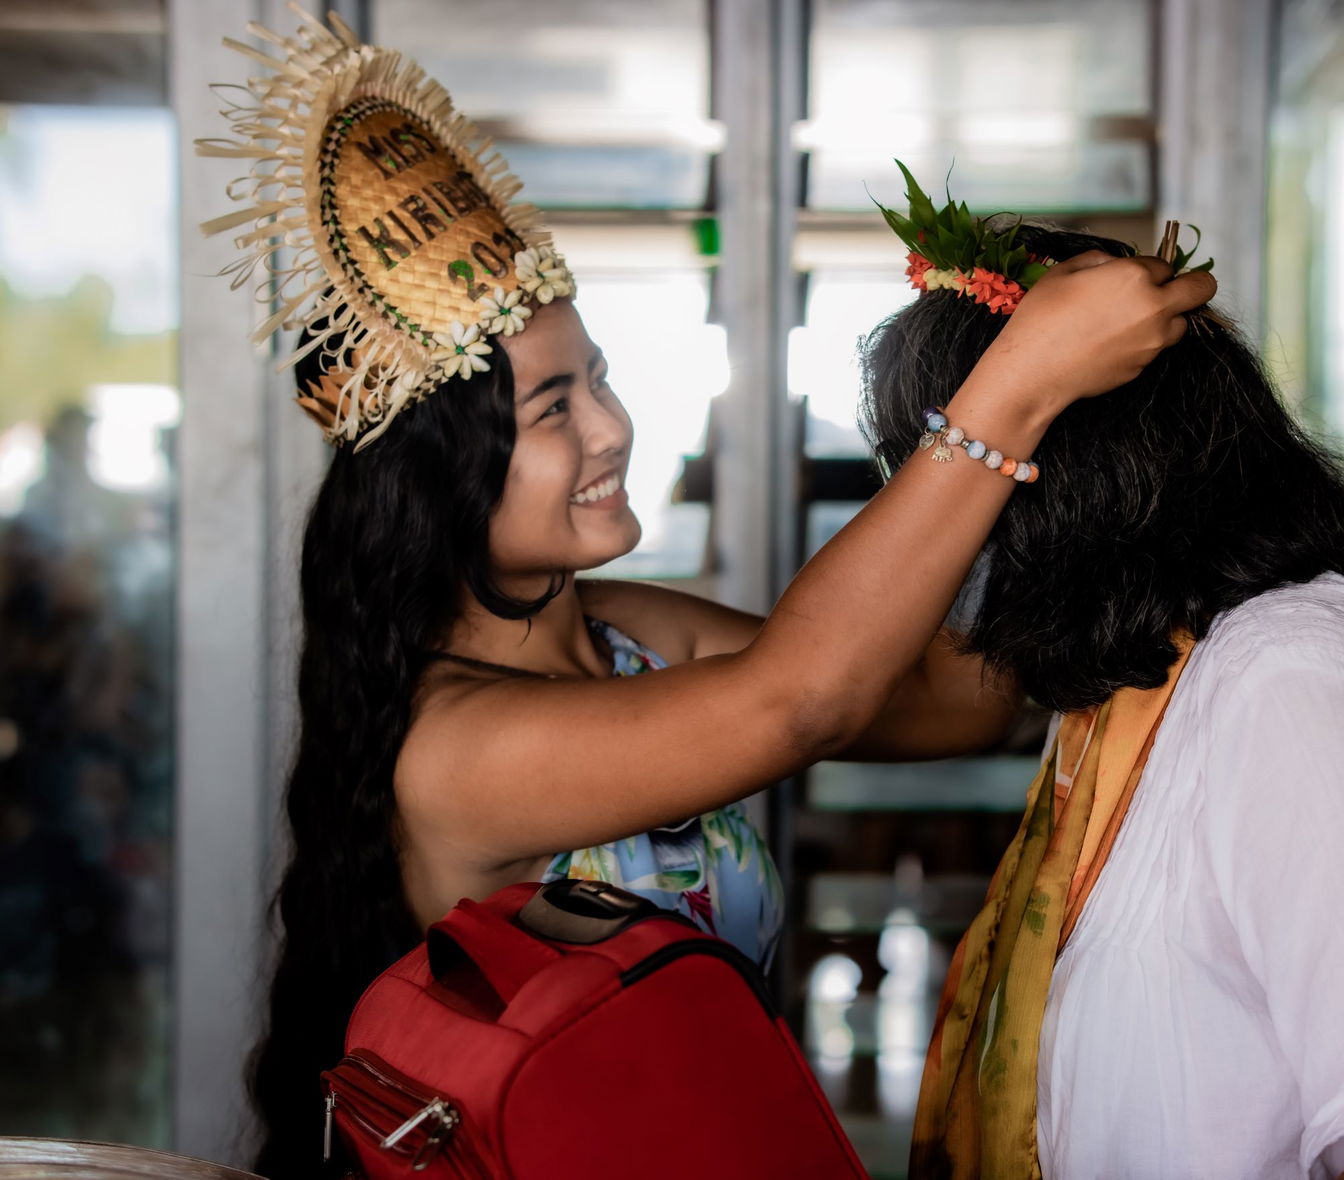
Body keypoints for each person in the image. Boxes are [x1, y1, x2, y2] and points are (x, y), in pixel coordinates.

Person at [192, 15, 1215, 1177]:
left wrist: (1054, 429)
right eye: (553, 409)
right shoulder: (458, 750)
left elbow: (952, 698)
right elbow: (802, 700)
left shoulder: (636, 630)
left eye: (602, 380)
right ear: (438, 486)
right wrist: (1009, 392)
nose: (612, 429)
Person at [858, 194, 1344, 1179]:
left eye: (955, 465)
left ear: (1063, 475)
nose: (928, 526)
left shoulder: (1289, 678)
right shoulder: (1128, 689)